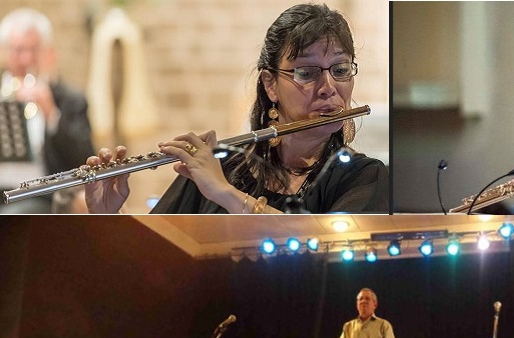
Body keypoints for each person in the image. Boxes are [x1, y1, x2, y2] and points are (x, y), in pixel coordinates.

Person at [84, 3, 388, 214]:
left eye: (340, 69)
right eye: (306, 73)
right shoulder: (218, 166)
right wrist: (111, 216)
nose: (328, 86)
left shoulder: (364, 177)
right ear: (270, 84)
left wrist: (224, 193)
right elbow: (156, 267)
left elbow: (318, 249)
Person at [0, 7, 94, 213]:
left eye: (34, 50)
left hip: (39, 195)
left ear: (49, 53)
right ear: (4, 52)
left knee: (8, 219)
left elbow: (85, 161)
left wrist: (51, 114)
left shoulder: (69, 100)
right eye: (18, 50)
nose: (26, 59)